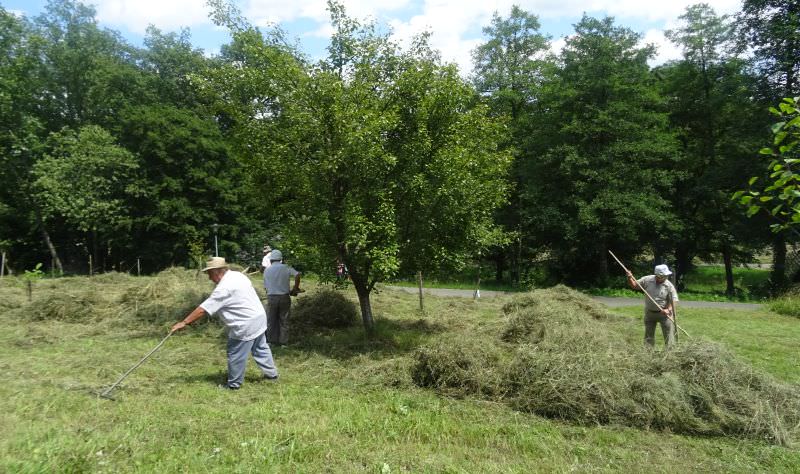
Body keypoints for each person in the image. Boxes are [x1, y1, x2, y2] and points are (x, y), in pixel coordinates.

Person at [171, 257, 278, 390]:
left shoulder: (223, 289)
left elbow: (203, 310)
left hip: (245, 323)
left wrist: (184, 322)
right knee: (260, 348)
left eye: (209, 274)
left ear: (216, 271)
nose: (209, 278)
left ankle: (233, 385)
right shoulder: (237, 275)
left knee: (235, 353)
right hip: (259, 317)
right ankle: (272, 375)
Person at [626, 264, 679, 349]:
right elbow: (635, 286)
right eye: (664, 276)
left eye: (666, 275)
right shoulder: (647, 280)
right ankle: (648, 353)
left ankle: (670, 353)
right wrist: (630, 278)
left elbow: (674, 300)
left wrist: (668, 310)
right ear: (658, 275)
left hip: (664, 315)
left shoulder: (668, 285)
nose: (666, 277)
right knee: (648, 336)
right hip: (649, 313)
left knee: (669, 335)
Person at [263, 249, 301, 346]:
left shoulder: (267, 270)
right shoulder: (286, 267)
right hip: (284, 297)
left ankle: (271, 341)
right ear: (281, 259)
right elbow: (297, 275)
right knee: (284, 319)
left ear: (271, 260)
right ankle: (283, 342)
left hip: (271, 297)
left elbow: (266, 287)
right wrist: (295, 288)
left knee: (271, 320)